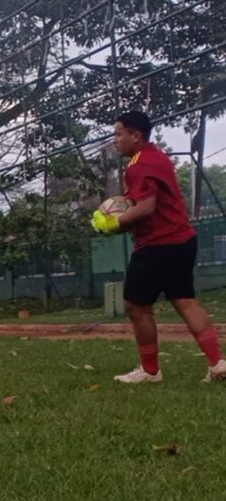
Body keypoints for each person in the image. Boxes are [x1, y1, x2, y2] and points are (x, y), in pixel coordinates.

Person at [92, 111, 226, 383]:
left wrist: (112, 224)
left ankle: (150, 371)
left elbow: (146, 208)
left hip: (157, 244)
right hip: (182, 240)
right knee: (185, 301)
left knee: (135, 306)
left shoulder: (138, 165)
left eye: (118, 134)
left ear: (136, 136)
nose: (115, 140)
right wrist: (122, 214)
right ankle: (217, 364)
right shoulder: (157, 156)